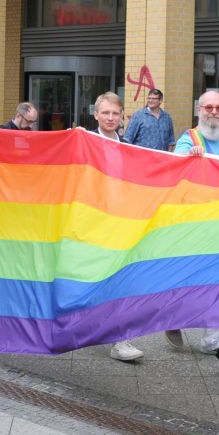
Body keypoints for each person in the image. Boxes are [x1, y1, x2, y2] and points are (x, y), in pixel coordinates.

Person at [165, 90, 219, 353]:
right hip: (194, 225)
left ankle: (212, 339)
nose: (214, 112)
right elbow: (175, 167)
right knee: (189, 279)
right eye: (209, 107)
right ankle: (171, 316)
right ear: (199, 110)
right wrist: (189, 158)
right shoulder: (189, 138)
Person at [84, 92, 145, 363]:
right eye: (105, 113)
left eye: (115, 114)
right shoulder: (84, 142)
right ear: (95, 115)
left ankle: (120, 339)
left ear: (122, 117)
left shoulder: (129, 147)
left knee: (122, 280)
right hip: (89, 224)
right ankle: (86, 324)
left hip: (120, 224)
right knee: (92, 280)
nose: (110, 118)